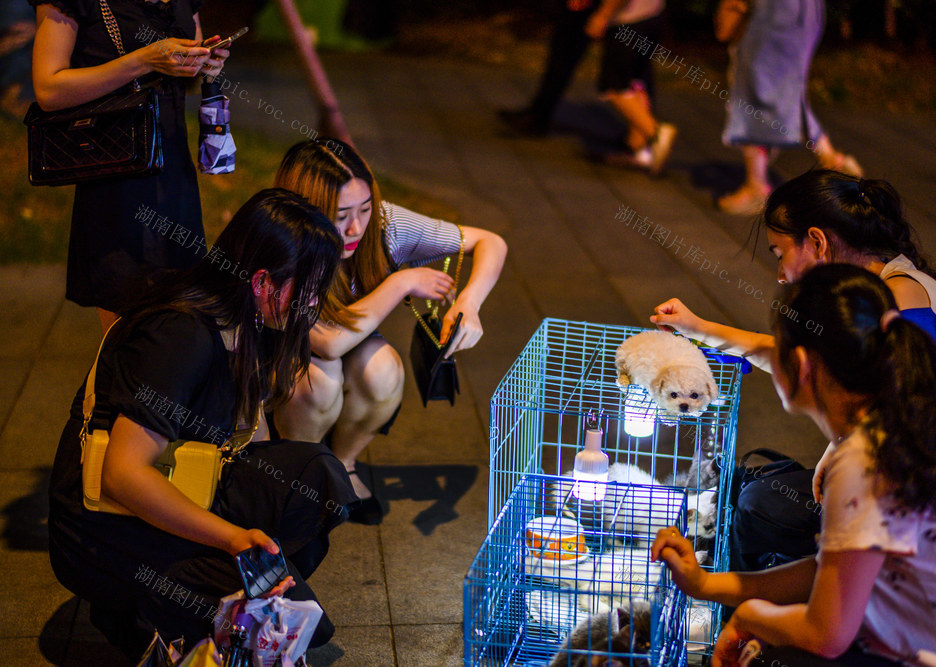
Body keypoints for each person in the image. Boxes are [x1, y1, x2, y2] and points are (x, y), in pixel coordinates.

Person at [47, 189, 358, 659]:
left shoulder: (253, 319)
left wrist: (263, 532)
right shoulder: (181, 335)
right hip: (102, 525)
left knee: (319, 474)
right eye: (309, 288)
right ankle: (144, 604)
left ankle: (211, 595)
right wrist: (232, 537)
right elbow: (122, 475)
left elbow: (250, 438)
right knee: (299, 631)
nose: (314, 303)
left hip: (191, 475)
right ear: (260, 281)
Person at [653, 263, 936, 666]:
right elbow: (827, 573)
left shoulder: (863, 459)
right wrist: (705, 584)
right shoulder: (906, 422)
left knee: (767, 652)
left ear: (799, 365)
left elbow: (825, 635)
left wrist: (750, 618)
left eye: (776, 349)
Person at [653, 169, 936, 570]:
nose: (780, 275)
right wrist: (699, 328)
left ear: (817, 242)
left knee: (760, 507)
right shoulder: (884, 285)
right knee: (762, 497)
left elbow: (907, 410)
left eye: (779, 254)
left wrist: (839, 448)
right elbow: (795, 354)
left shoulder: (903, 299)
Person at [270, 138, 508, 524]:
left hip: (347, 343)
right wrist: (400, 283)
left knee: (384, 369)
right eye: (340, 214)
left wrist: (470, 303)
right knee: (320, 380)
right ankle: (298, 470)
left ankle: (343, 464)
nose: (357, 227)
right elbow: (328, 344)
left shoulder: (385, 225)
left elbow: (490, 242)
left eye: (365, 208)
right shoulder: (282, 241)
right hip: (281, 360)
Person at [30, 0, 230, 331]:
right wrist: (140, 61)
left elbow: (183, 77)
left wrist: (204, 62)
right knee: (128, 334)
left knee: (181, 325)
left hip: (174, 174)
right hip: (115, 175)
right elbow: (48, 89)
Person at [718, 0, 862, 215]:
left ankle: (756, 185)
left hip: (774, 9)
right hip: (806, 9)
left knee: (754, 88)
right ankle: (832, 160)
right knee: (789, 89)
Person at [587, 0, 676, 174]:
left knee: (613, 86)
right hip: (651, 16)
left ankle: (655, 133)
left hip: (628, 22)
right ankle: (639, 150)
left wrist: (602, 15)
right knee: (637, 82)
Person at [497, 0, 597, 137]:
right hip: (581, 12)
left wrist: (602, 15)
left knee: (563, 61)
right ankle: (536, 113)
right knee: (558, 60)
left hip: (588, 12)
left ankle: (538, 118)